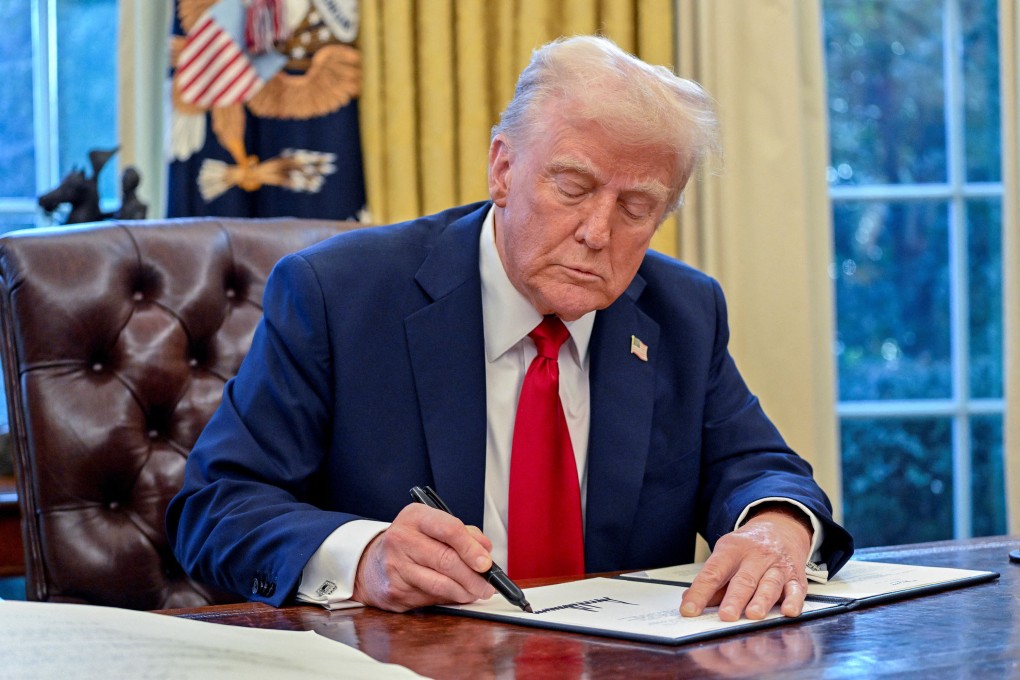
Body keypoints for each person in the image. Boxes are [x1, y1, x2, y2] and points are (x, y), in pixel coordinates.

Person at [167, 35, 853, 622]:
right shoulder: (337, 295)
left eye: (636, 207)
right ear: (503, 168)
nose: (596, 233)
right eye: (574, 188)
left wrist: (776, 527)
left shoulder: (681, 311)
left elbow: (756, 465)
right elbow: (215, 507)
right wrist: (366, 556)